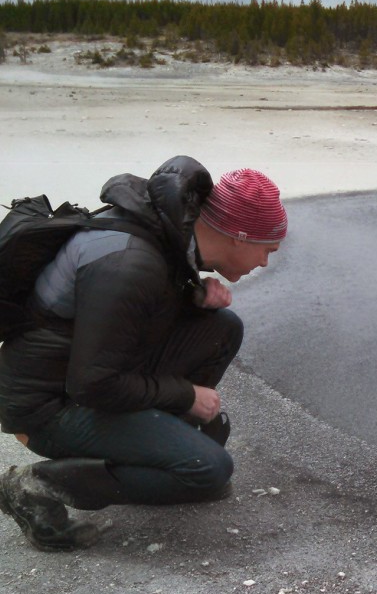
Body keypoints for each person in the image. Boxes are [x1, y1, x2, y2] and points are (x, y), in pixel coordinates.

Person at [0, 156, 286, 551]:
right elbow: (93, 383)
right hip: (47, 408)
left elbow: (130, 317)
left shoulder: (166, 232)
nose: (265, 262)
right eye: (266, 250)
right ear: (238, 235)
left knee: (221, 328)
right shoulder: (130, 263)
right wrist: (186, 396)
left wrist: (193, 298)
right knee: (209, 470)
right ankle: (36, 485)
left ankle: (162, 450)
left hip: (74, 380)